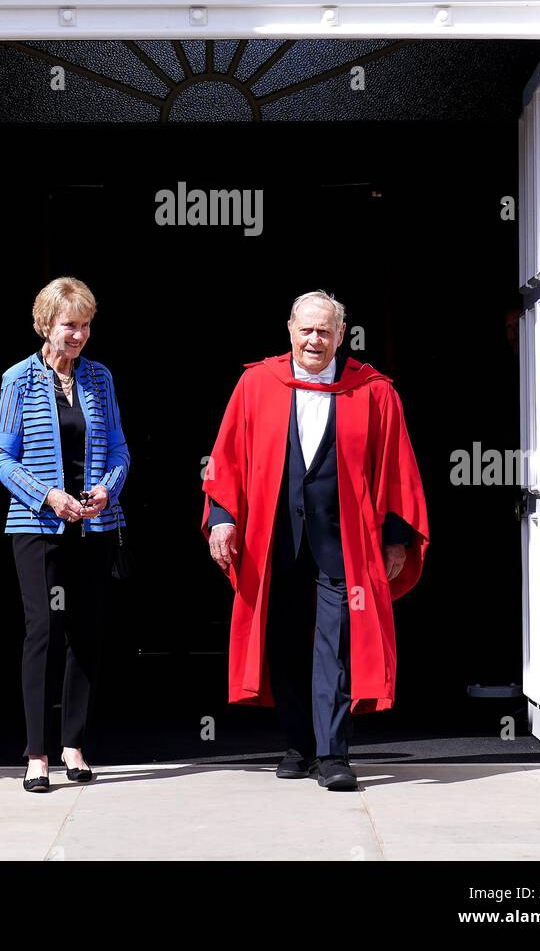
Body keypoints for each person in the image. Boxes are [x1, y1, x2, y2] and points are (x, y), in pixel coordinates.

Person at [202, 290, 429, 791]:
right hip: (273, 538)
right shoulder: (256, 384)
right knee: (282, 641)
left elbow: (396, 470)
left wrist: (394, 538)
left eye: (324, 331)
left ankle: (332, 754)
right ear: (289, 330)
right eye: (305, 329)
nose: (314, 339)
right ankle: (298, 744)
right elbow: (228, 457)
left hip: (345, 540)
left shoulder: (372, 391)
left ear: (340, 336)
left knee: (338, 643)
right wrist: (222, 517)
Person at [0, 276, 129, 792]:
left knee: (85, 634)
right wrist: (48, 495)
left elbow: (119, 448)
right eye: (70, 324)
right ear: (46, 324)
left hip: (93, 526)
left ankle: (73, 746)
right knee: (43, 631)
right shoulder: (17, 380)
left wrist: (106, 492)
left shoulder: (100, 378)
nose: (80, 335)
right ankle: (37, 754)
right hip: (37, 526)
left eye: (86, 325)